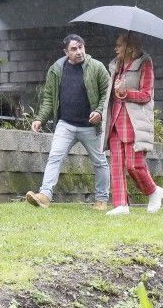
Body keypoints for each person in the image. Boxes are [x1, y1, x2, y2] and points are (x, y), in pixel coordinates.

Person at [25, 34, 112, 209]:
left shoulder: (96, 67)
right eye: (74, 49)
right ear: (66, 51)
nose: (79, 52)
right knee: (55, 157)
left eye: (81, 47)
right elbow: (49, 98)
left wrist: (99, 112)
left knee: (99, 162)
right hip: (65, 124)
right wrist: (40, 119)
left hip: (90, 127)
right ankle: (44, 196)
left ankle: (102, 199)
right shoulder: (56, 69)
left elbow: (108, 94)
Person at [101, 32, 163, 216]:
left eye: (119, 45)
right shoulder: (115, 65)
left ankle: (153, 191)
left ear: (130, 47)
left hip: (133, 122)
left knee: (133, 165)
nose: (116, 49)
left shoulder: (145, 63)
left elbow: (146, 95)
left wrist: (125, 92)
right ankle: (121, 205)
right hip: (115, 121)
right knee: (116, 165)